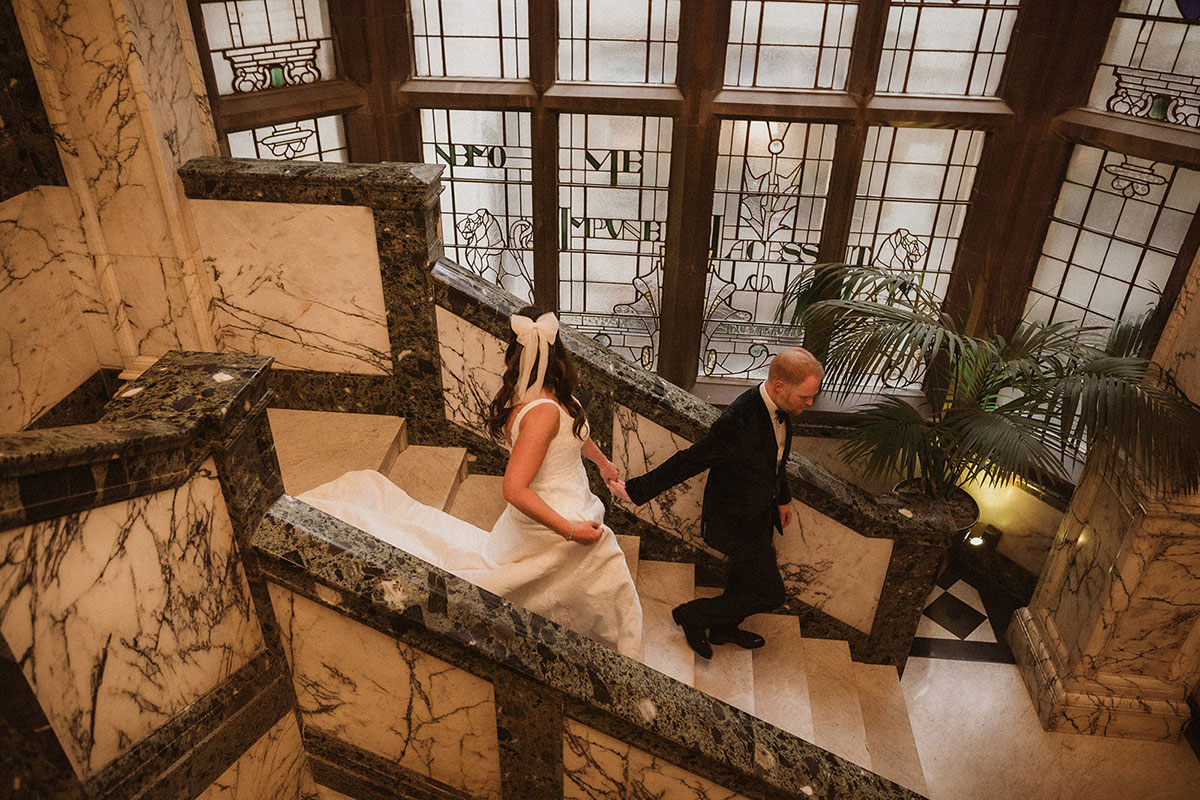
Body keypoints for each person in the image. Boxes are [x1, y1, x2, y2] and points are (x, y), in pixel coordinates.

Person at [299, 306, 643, 660]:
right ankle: (620, 649)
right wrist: (570, 530)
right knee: (603, 557)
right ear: (558, 350)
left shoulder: (556, 396)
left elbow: (575, 433)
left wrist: (602, 464)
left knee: (580, 577)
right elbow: (514, 490)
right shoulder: (541, 414)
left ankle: (584, 632)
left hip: (576, 497)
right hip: (555, 514)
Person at [613, 348, 823, 659]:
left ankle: (723, 629)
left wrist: (782, 499)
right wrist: (636, 490)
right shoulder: (738, 421)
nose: (809, 403)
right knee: (770, 594)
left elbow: (775, 461)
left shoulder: (780, 410)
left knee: (742, 580)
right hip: (734, 521)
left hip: (760, 515)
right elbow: (689, 461)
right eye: (805, 396)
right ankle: (694, 614)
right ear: (779, 386)